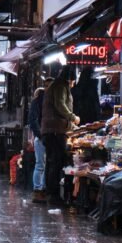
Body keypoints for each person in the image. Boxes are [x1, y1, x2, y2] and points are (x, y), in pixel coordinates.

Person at [40, 65, 79, 206]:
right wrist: (72, 117)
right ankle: (54, 195)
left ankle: (51, 193)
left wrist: (72, 126)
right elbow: (60, 105)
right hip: (55, 131)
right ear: (70, 78)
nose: (73, 85)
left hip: (52, 130)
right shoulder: (60, 86)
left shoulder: (56, 86)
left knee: (52, 162)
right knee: (56, 162)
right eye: (73, 81)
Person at [28, 86, 47, 203]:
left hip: (40, 137)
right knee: (44, 164)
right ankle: (42, 189)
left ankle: (37, 189)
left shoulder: (35, 103)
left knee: (39, 164)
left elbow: (32, 120)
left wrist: (38, 135)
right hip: (46, 135)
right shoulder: (47, 103)